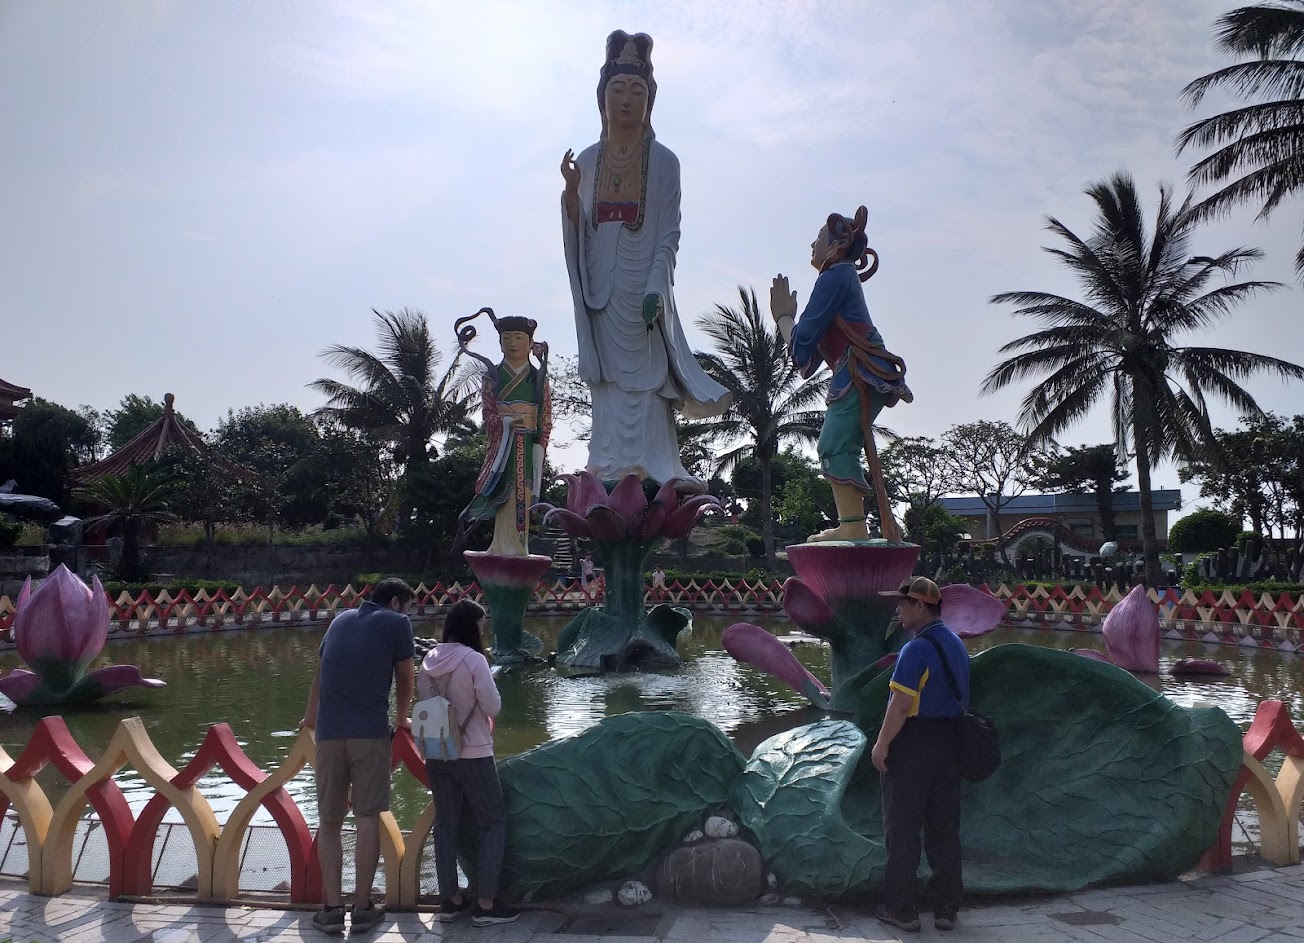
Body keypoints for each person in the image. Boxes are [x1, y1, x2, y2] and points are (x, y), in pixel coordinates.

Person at [560, 30, 730, 488]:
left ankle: (655, 465)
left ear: (650, 102)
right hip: (601, 284)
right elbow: (581, 228)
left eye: (637, 91)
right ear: (602, 99)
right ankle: (605, 463)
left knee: (648, 379)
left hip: (644, 288)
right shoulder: (588, 160)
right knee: (609, 385)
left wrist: (657, 283)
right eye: (617, 89)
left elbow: (669, 233)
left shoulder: (665, 162)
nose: (626, 100)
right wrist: (572, 195)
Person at [770, 206, 913, 542]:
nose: (812, 244)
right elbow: (808, 360)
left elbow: (801, 343)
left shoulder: (834, 276)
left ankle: (853, 526)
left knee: (834, 445)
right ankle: (854, 523)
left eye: (819, 238)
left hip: (859, 369)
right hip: (859, 368)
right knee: (839, 445)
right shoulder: (841, 277)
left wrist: (783, 317)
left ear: (835, 246)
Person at [299, 578, 416, 936]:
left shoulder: (339, 620)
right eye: (408, 606)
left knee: (329, 822)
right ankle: (363, 908)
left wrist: (309, 719)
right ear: (395, 602)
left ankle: (332, 909)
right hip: (370, 734)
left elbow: (319, 676)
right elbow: (406, 678)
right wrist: (402, 718)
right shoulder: (398, 622)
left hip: (329, 735)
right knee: (366, 818)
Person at [871, 577, 969, 933]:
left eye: (903, 603)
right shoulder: (956, 644)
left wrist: (881, 744)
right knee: (944, 829)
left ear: (921, 606)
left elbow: (900, 705)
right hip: (950, 744)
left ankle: (902, 909)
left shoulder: (915, 650)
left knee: (903, 829)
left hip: (914, 744)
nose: (898, 609)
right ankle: (946, 907)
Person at [417, 600, 518, 926]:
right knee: (493, 821)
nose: (484, 629)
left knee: (446, 824)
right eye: (481, 624)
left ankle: (450, 900)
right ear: (471, 627)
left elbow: (425, 703)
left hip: (437, 751)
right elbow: (493, 706)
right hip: (472, 752)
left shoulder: (428, 660)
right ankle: (486, 904)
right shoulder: (474, 660)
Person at [458, 314, 552, 556]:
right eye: (507, 338)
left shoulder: (538, 378)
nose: (513, 343)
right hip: (504, 446)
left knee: (524, 494)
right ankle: (500, 546)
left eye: (519, 337)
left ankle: (520, 547)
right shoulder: (493, 376)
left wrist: (541, 443)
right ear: (500, 343)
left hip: (528, 444)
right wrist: (506, 422)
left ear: (530, 343)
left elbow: (545, 417)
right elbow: (488, 414)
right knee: (503, 493)